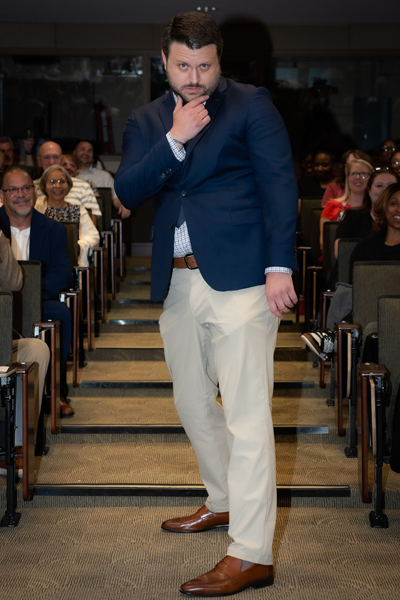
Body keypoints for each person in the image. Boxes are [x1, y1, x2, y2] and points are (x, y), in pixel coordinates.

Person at [114, 11, 298, 597]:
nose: (194, 77)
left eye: (205, 65)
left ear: (220, 61)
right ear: (163, 62)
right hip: (179, 281)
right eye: (183, 65)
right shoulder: (147, 119)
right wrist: (175, 139)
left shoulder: (250, 104)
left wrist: (279, 267)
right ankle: (222, 501)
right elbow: (127, 190)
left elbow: (277, 184)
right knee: (193, 402)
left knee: (247, 416)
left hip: (245, 278)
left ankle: (251, 552)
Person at [0, 166, 74, 417]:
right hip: (1, 301)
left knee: (60, 313)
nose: (21, 194)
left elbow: (63, 272)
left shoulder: (54, 229)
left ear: (34, 191)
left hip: (38, 299)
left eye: (26, 188)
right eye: (13, 190)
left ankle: (55, 392)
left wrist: (31, 296)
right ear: (2, 194)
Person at [302, 182, 400, 360]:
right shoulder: (366, 247)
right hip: (368, 311)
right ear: (384, 208)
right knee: (350, 291)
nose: (399, 209)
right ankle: (341, 332)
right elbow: (358, 290)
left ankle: (337, 334)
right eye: (394, 203)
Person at [0, 230, 50, 476]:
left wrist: (1, 243)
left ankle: (18, 447)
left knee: (36, 348)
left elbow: (15, 284)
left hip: (1, 339)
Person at [35, 165, 99, 267]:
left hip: (71, 261)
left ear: (68, 185)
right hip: (41, 261)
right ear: (44, 186)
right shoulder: (36, 208)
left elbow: (93, 236)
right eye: (52, 181)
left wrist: (77, 245)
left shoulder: (78, 209)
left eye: (62, 181)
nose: (57, 186)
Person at [34, 141, 101, 226]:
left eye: (56, 157)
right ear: (39, 161)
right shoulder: (30, 188)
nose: (51, 162)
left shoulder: (83, 186)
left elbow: (91, 225)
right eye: (46, 157)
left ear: (62, 160)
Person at [320, 158, 373, 249]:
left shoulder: (376, 208)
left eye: (363, 174)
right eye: (353, 174)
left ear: (372, 180)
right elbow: (323, 243)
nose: (358, 177)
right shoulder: (332, 206)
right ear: (347, 178)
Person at [74, 141, 131, 219]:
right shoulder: (66, 176)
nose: (86, 153)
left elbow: (116, 199)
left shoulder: (104, 176)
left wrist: (123, 205)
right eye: (82, 149)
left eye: (89, 151)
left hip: (100, 223)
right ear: (74, 153)